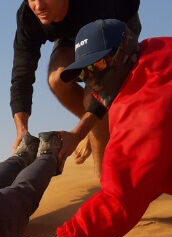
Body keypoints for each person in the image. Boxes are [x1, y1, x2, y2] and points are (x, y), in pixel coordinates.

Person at [0, 19, 172, 237]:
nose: (91, 81)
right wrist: (79, 133)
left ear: (124, 52)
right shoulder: (155, 50)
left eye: (96, 66)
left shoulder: (145, 110)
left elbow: (120, 200)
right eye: (83, 74)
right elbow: (105, 88)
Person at [11, 0, 141, 177]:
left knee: (91, 97)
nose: (38, 6)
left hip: (114, 28)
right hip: (72, 38)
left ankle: (105, 181)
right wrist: (22, 130)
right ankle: (96, 129)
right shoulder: (28, 16)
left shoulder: (105, 6)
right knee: (57, 80)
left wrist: (78, 133)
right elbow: (22, 73)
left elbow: (102, 91)